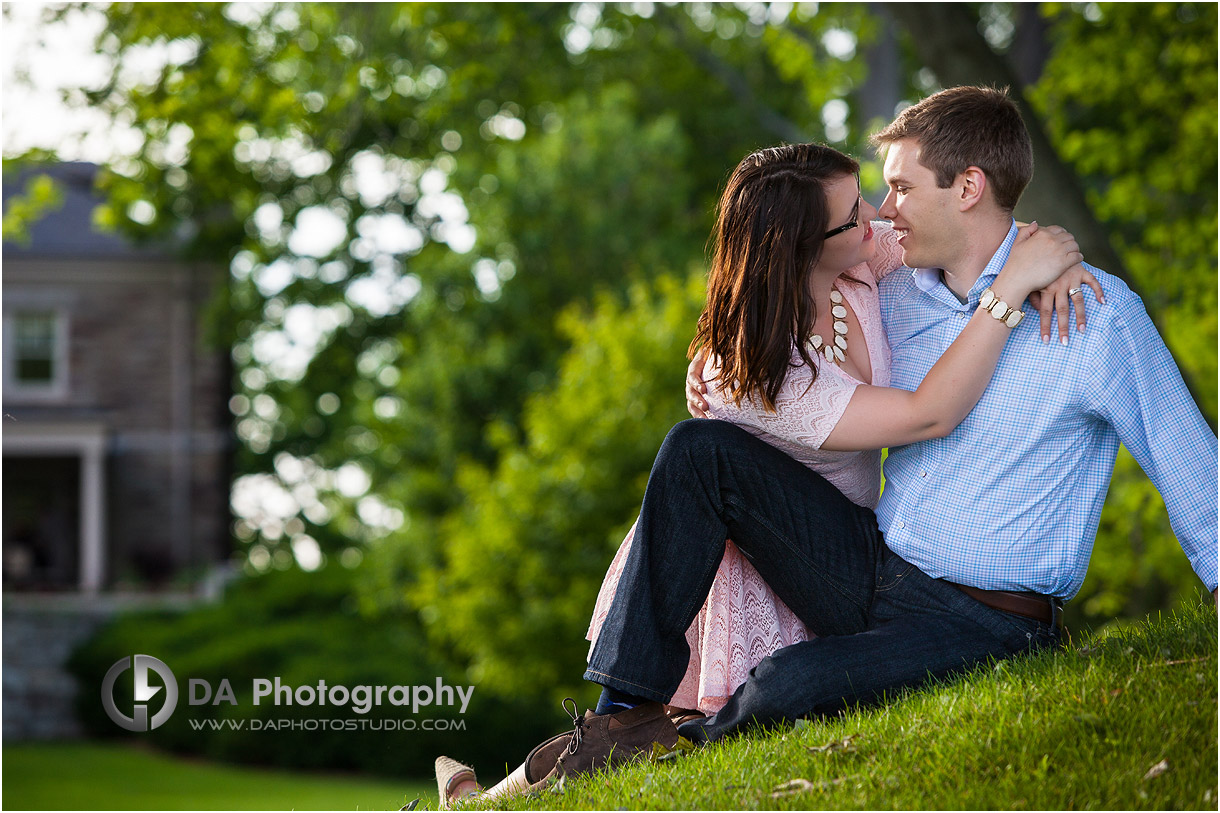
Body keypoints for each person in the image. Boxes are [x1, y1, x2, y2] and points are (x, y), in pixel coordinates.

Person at [433, 120, 1097, 806]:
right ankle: (606, 726)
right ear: (802, 248)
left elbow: (974, 232)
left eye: (863, 200)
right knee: (696, 453)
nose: (878, 219)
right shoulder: (765, 369)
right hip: (783, 552)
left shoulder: (863, 258)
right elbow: (928, 414)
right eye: (852, 216)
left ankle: (567, 755)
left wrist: (1057, 257)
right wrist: (1012, 289)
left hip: (862, 554)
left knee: (715, 493)